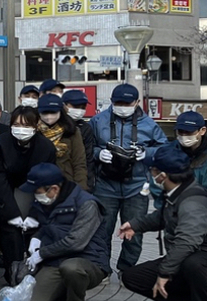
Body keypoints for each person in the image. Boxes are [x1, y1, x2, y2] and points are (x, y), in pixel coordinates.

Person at [120, 148, 207, 301]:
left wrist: (165, 272)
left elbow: (187, 241)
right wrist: (135, 225)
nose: (151, 174)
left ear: (162, 175)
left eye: (152, 170)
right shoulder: (178, 191)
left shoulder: (193, 202)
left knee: (192, 263)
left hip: (200, 260)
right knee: (132, 276)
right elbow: (164, 217)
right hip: (186, 258)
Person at [90, 84, 166, 274]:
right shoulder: (98, 121)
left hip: (137, 186)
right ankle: (102, 269)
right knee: (101, 230)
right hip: (105, 185)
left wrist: (146, 153)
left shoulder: (149, 124)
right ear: (112, 102)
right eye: (118, 102)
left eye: (127, 103)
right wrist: (99, 153)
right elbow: (85, 147)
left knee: (135, 232)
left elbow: (165, 149)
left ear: (137, 102)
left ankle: (127, 269)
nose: (123, 106)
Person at [22, 163, 110, 301]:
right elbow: (46, 226)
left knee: (72, 268)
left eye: (37, 192)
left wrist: (41, 253)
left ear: (53, 189)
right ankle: (61, 299)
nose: (35, 196)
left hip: (88, 261)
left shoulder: (87, 204)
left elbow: (75, 242)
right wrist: (36, 238)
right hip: (56, 260)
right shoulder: (47, 201)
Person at [0, 106, 58, 281]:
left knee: (33, 229)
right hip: (9, 191)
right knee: (10, 231)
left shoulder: (46, 147)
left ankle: (32, 271)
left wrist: (35, 212)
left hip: (36, 191)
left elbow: (47, 181)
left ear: (36, 126)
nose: (21, 129)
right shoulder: (1, 143)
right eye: (17, 124)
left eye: (26, 125)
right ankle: (12, 273)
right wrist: (11, 212)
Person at [37, 94, 88, 189]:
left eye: (53, 112)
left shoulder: (72, 131)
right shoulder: (34, 131)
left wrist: (80, 190)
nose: (49, 116)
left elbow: (79, 163)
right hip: (39, 186)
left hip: (66, 184)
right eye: (45, 113)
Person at [63, 90, 97, 189]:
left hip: (79, 179)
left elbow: (88, 159)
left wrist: (88, 184)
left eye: (83, 107)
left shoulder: (86, 128)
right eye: (75, 106)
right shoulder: (56, 125)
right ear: (64, 105)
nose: (79, 110)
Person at [169, 112, 207, 188]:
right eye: (180, 131)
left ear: (202, 131)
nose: (184, 135)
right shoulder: (169, 152)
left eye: (189, 132)